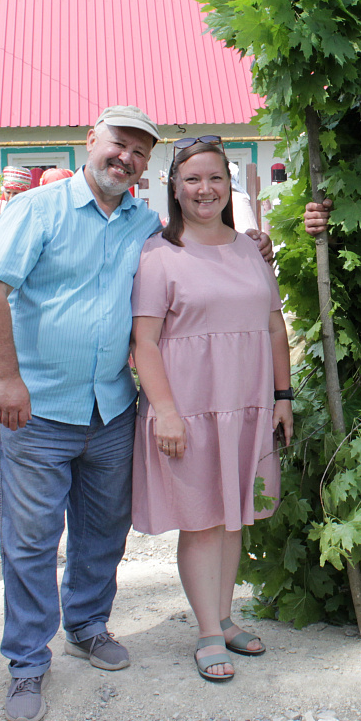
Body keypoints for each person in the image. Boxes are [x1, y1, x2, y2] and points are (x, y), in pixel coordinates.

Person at [0, 110, 274, 721]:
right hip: (41, 405)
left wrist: (257, 244)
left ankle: (87, 624)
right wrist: (6, 379)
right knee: (31, 541)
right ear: (92, 142)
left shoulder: (145, 224)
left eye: (139, 152)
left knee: (102, 530)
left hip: (111, 406)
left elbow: (206, 251)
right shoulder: (37, 210)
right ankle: (28, 662)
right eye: (119, 145)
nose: (127, 159)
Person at [131, 138, 291, 681]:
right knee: (200, 522)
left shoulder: (250, 249)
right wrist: (166, 412)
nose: (206, 190)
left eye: (216, 179)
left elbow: (274, 325)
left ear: (230, 185)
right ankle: (204, 633)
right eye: (193, 179)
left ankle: (223, 618)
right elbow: (145, 343)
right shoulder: (159, 255)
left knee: (232, 517)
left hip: (245, 402)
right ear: (174, 188)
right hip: (191, 407)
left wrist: (282, 397)